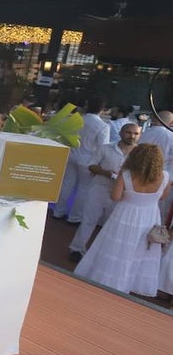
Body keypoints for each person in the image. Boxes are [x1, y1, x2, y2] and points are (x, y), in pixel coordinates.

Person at [74, 143, 169, 296]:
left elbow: (115, 196)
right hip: (149, 216)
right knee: (139, 250)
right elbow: (163, 196)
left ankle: (110, 282)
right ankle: (129, 283)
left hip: (126, 214)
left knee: (116, 247)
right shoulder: (165, 176)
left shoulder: (126, 174)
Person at [68, 122, 140, 261]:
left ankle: (102, 255)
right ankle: (77, 249)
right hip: (99, 189)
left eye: (135, 133)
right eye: (128, 132)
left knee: (112, 225)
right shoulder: (106, 148)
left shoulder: (139, 154)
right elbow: (91, 166)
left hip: (122, 195)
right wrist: (106, 173)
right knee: (89, 220)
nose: (132, 136)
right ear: (120, 133)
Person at [54, 97, 110, 223]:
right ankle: (74, 217)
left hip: (72, 154)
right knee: (83, 189)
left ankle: (58, 211)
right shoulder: (103, 126)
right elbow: (103, 147)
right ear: (102, 109)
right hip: (88, 160)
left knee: (67, 184)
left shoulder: (76, 120)